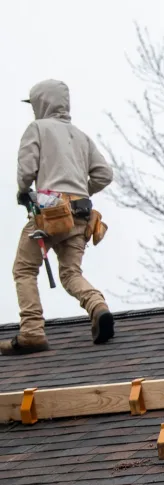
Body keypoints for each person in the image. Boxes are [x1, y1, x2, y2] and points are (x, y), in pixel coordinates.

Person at [3, 79, 114, 356]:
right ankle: (98, 307)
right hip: (80, 214)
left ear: (42, 103)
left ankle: (31, 332)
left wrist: (23, 191)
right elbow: (104, 175)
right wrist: (77, 193)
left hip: (50, 212)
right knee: (71, 273)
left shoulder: (37, 129)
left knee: (24, 269)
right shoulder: (81, 136)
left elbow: (27, 168)